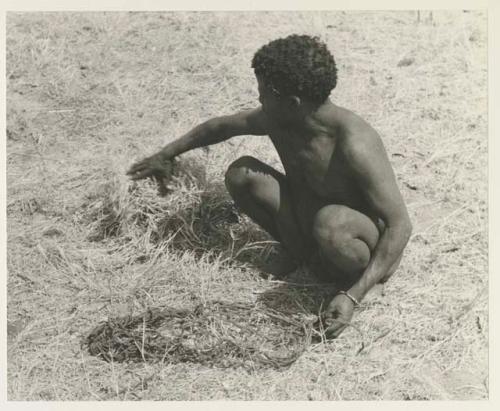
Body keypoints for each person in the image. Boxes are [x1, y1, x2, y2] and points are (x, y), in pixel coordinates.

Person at [127, 34, 412, 338]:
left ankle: (351, 282)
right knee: (242, 174)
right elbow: (221, 127)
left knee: (332, 222)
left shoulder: (355, 141)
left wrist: (354, 294)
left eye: (264, 92)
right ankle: (302, 254)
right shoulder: (282, 119)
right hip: (311, 226)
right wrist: (165, 155)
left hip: (354, 241)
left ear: (292, 103)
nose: (259, 98)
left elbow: (400, 225)